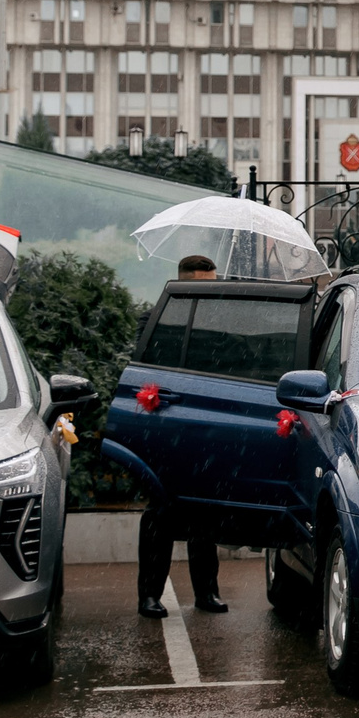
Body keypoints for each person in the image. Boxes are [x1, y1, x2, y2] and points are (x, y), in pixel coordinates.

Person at [139, 255, 224, 618]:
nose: (210, 292)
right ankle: (148, 595)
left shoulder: (221, 323)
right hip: (167, 430)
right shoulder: (157, 319)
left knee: (205, 515)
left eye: (213, 284)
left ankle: (206, 593)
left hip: (207, 430)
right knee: (160, 514)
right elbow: (143, 370)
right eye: (203, 285)